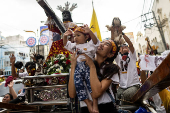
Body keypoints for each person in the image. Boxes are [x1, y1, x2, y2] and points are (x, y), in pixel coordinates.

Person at [68, 39, 121, 113]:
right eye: (101, 42)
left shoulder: (111, 68)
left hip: (105, 107)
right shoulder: (80, 65)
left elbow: (96, 93)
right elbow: (72, 94)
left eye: (107, 44)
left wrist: (92, 66)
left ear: (110, 54)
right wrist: (73, 66)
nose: (101, 44)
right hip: (85, 108)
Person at [63, 24, 100, 112]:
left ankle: (95, 103)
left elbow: (96, 42)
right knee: (78, 85)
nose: (75, 38)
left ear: (86, 37)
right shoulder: (74, 46)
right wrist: (65, 36)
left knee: (91, 84)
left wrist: (89, 31)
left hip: (88, 68)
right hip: (78, 68)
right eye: (74, 36)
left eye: (78, 35)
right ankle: (88, 103)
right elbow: (65, 44)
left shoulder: (90, 45)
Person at [111, 27, 140, 103]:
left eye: (125, 46)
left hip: (134, 85)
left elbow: (130, 44)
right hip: (122, 86)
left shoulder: (132, 56)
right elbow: (112, 44)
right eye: (122, 47)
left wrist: (122, 33)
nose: (124, 47)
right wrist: (112, 32)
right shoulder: (118, 58)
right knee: (118, 96)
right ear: (119, 50)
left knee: (126, 95)